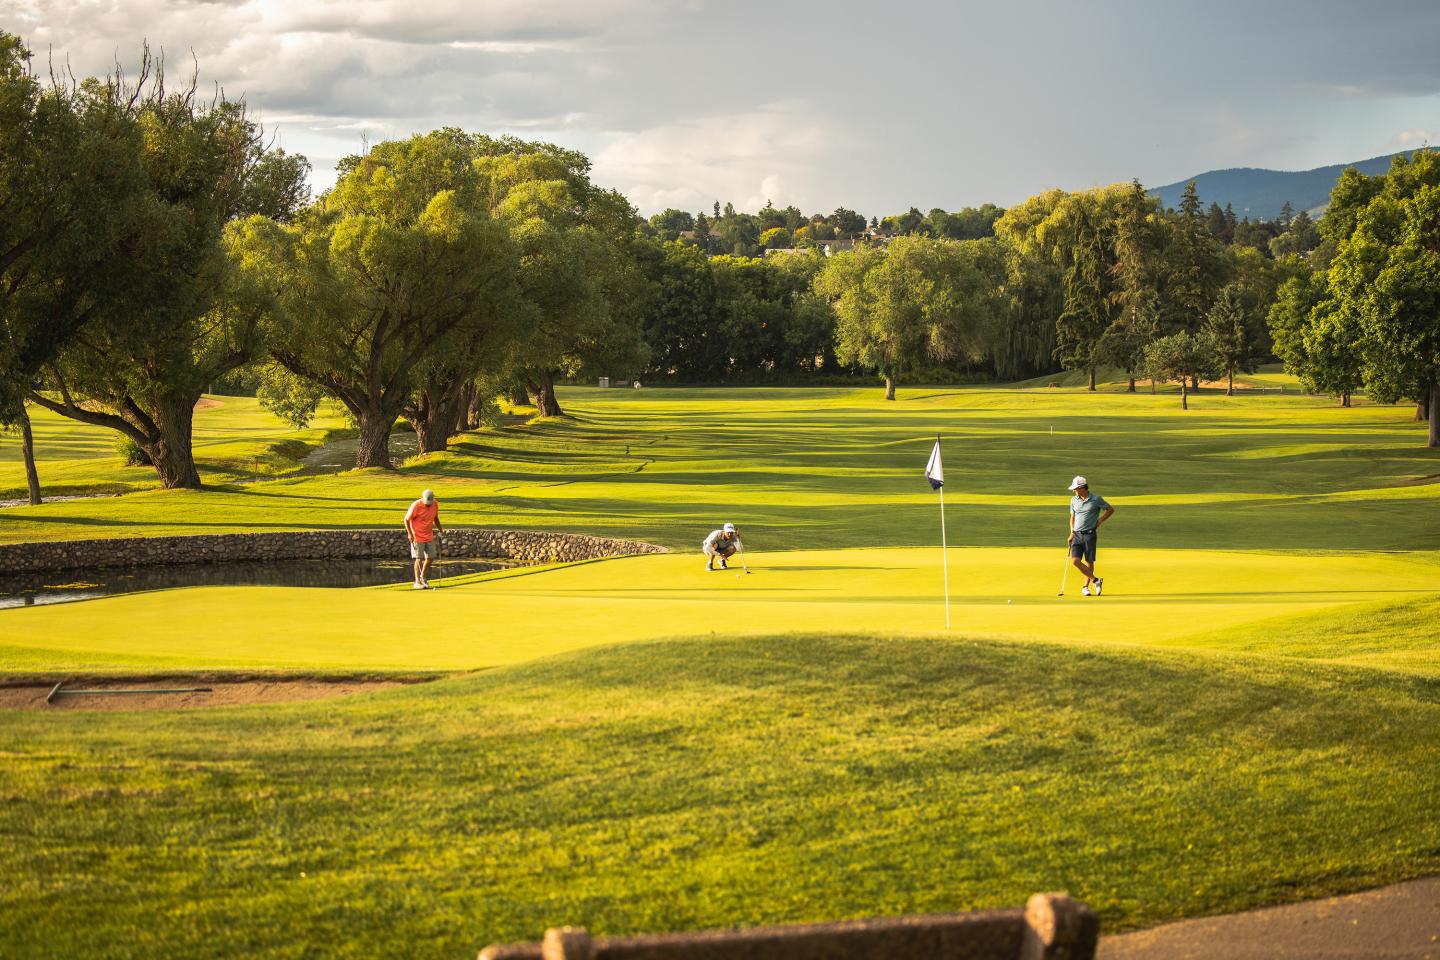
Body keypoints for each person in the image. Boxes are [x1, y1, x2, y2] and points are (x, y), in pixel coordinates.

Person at [1067, 475, 1113, 597]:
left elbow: (1110, 509)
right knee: (1075, 561)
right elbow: (1072, 517)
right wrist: (1071, 532)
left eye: (1076, 488)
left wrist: (1100, 521)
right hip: (1076, 535)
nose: (1074, 491)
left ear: (1082, 487)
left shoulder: (1096, 499)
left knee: (1089, 561)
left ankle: (1085, 587)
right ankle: (1096, 580)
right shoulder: (1073, 500)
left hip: (1089, 535)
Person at [404, 489, 443, 590]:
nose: (428, 505)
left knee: (431, 557)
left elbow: (436, 518)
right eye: (427, 503)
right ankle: (417, 581)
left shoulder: (435, 504)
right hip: (417, 536)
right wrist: (410, 533)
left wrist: (441, 530)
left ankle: (423, 577)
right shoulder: (416, 505)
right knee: (419, 558)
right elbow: (406, 519)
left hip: (428, 535)